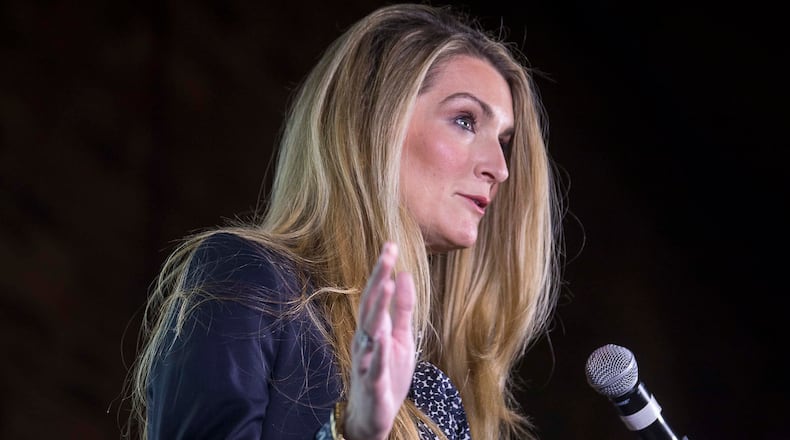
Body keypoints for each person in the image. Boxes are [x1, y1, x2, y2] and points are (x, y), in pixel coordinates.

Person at [126, 3, 561, 439]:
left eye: (503, 141)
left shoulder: (438, 393)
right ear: (375, 124)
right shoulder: (249, 279)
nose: (500, 168)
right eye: (465, 120)